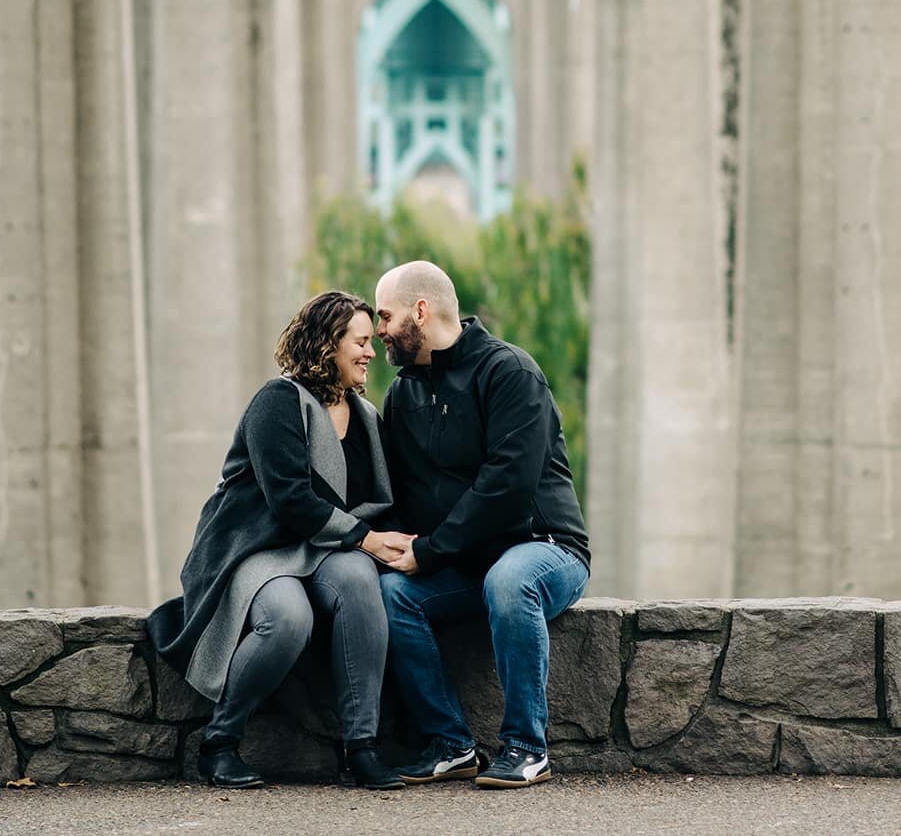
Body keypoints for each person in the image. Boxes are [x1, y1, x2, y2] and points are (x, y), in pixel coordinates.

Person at [148, 291, 416, 790]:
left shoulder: (367, 419)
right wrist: (368, 539)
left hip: (328, 547)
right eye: (359, 342)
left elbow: (382, 501)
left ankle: (360, 747)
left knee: (360, 585)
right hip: (259, 545)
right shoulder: (277, 402)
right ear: (327, 345)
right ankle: (220, 743)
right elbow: (290, 500)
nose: (370, 352)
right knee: (289, 618)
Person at [373, 260, 591, 789]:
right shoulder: (403, 394)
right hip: (465, 561)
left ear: (419, 312)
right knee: (393, 594)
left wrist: (430, 549)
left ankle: (526, 747)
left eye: (385, 316)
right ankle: (450, 744)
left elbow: (507, 487)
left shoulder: (509, 372)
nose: (379, 330)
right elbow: (399, 491)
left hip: (543, 547)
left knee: (510, 580)